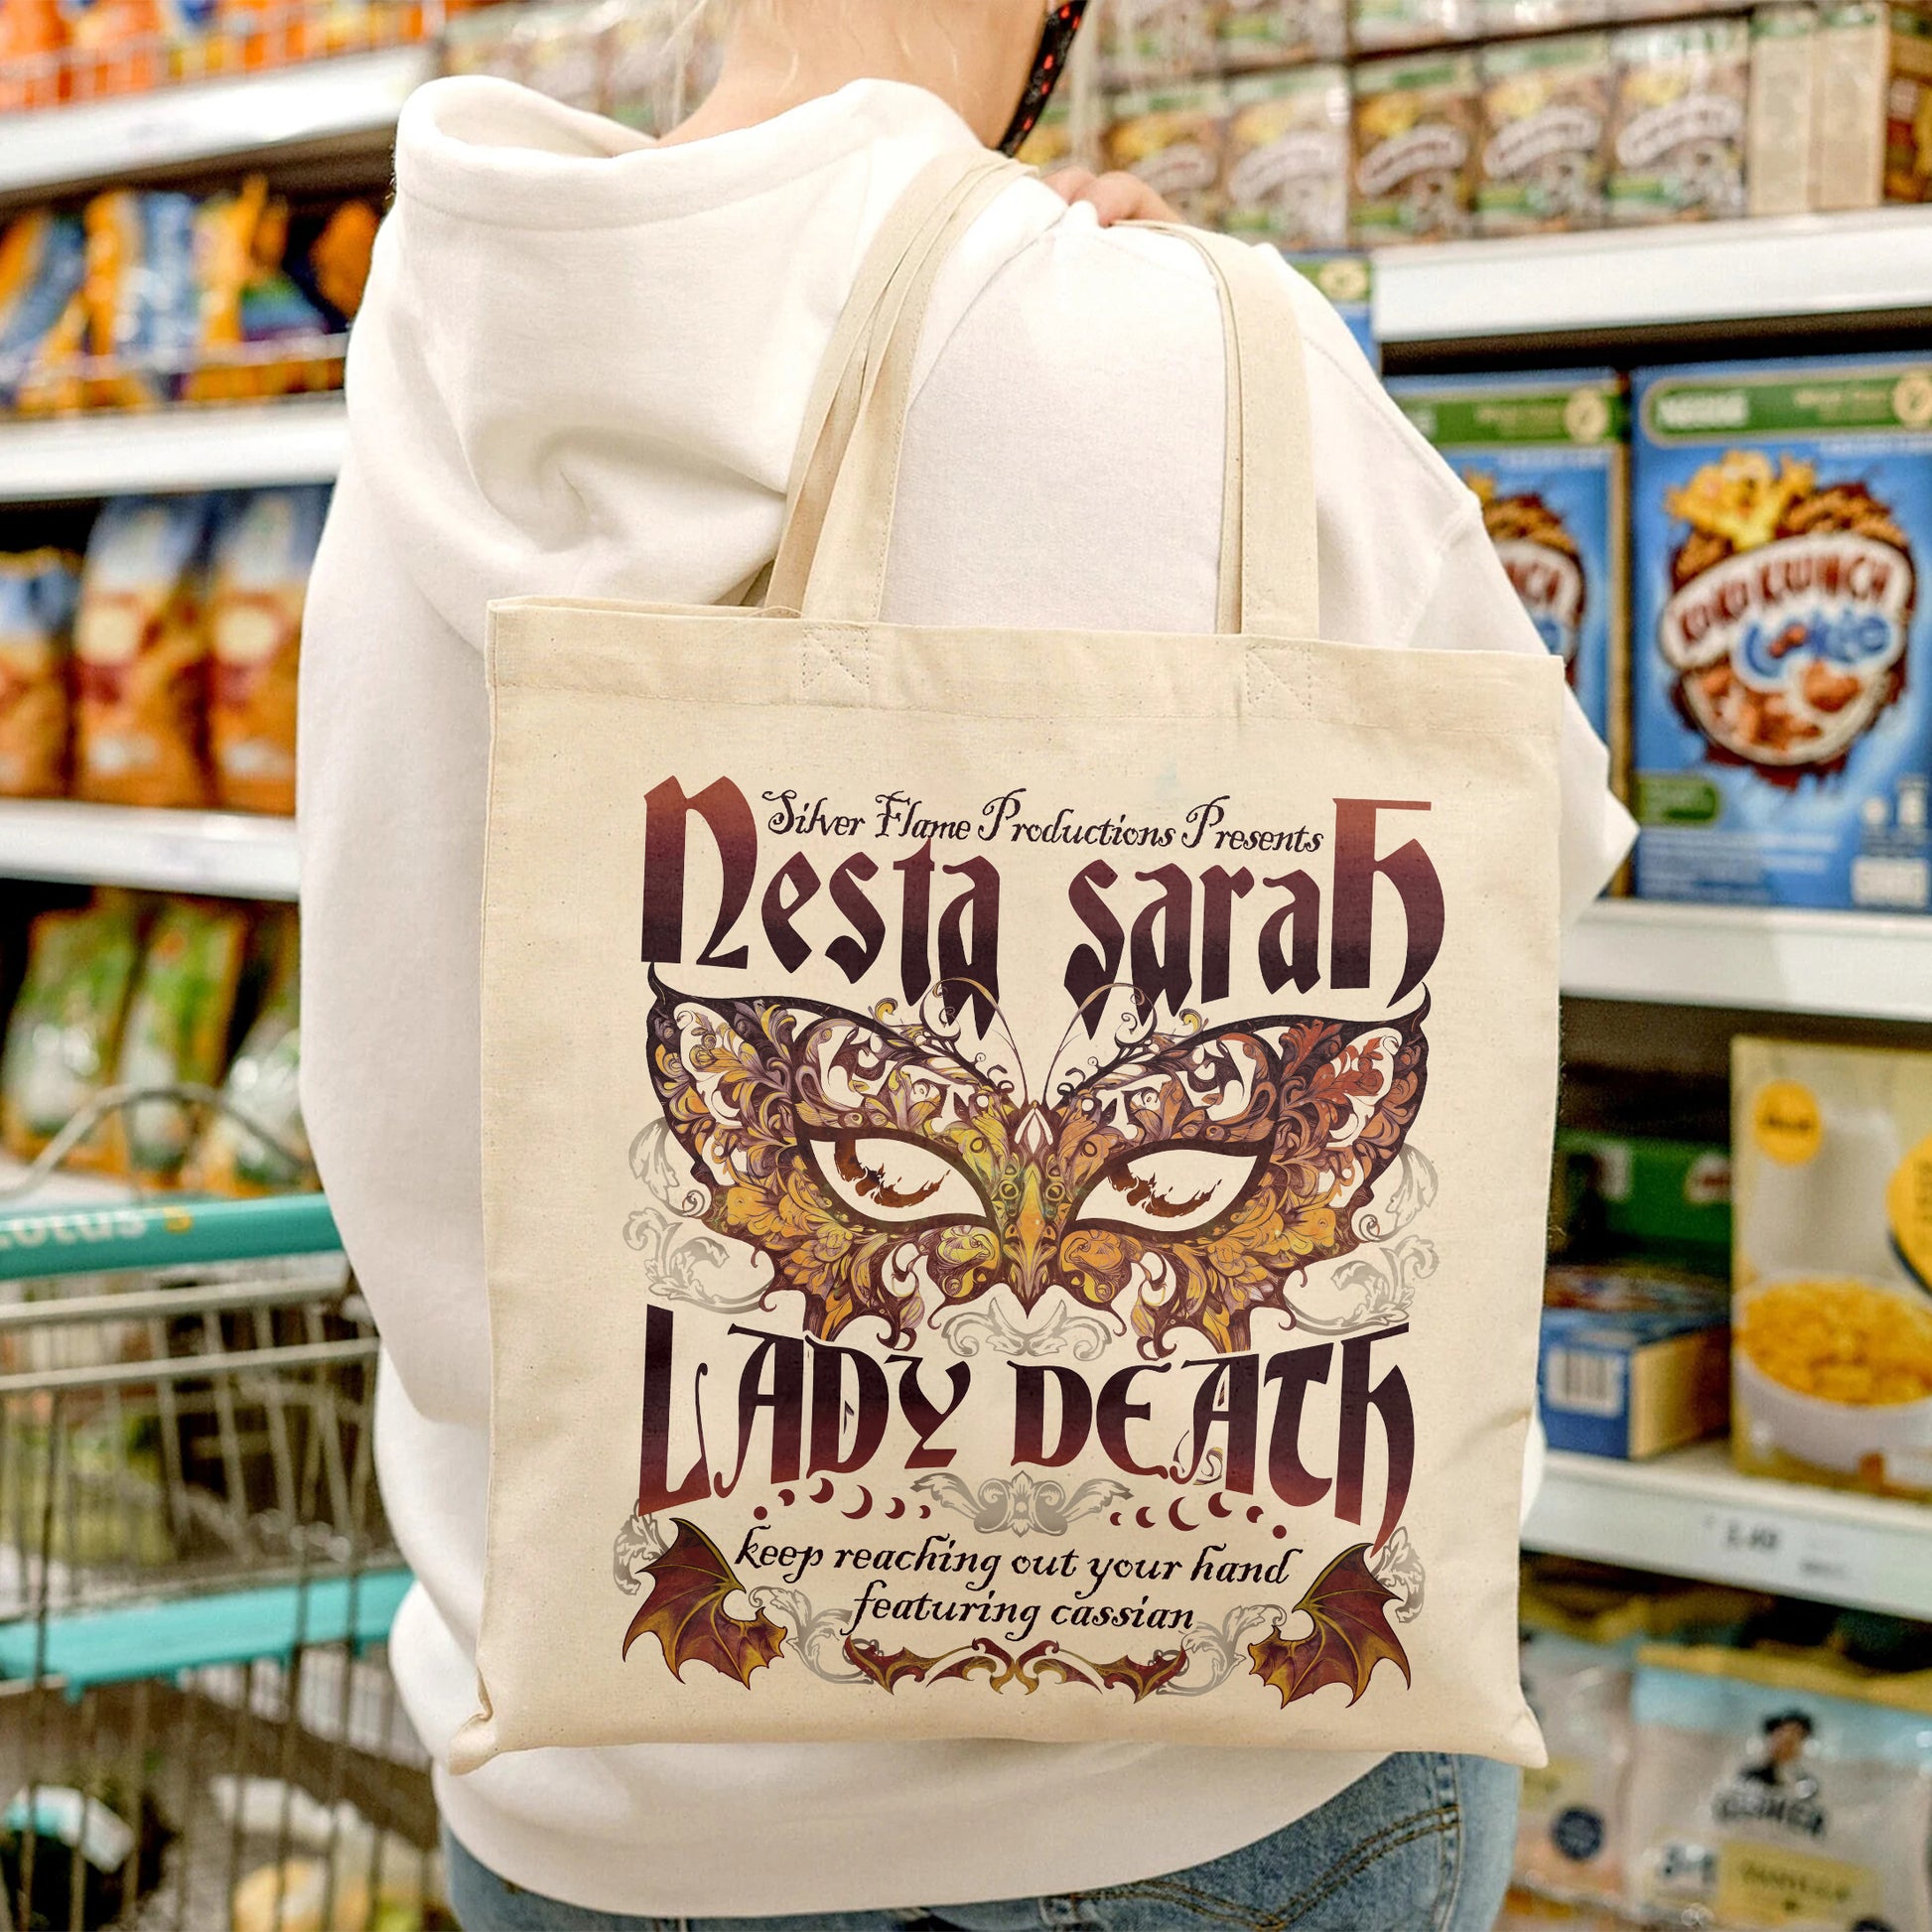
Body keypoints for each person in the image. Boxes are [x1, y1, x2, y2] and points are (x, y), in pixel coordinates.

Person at [297, 1, 1635, 1925]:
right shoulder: (1203, 340)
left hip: (607, 1743)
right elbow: (1533, 860)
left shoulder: (447, 334)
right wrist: (1191, 356)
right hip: (1197, 1745)